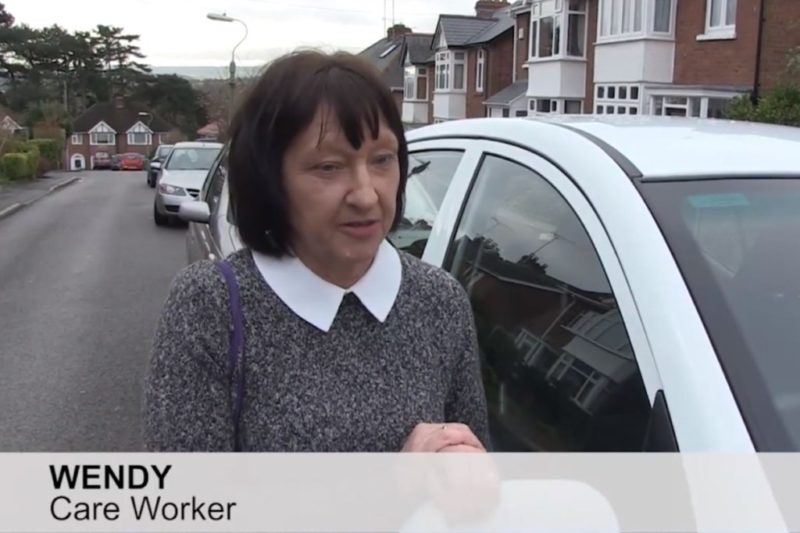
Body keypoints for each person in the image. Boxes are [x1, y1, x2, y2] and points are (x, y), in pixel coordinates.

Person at [143, 50, 489, 453]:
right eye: (328, 167)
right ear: (270, 179)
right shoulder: (210, 306)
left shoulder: (440, 301)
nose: (365, 194)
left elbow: (472, 482)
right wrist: (395, 486)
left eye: (381, 160)